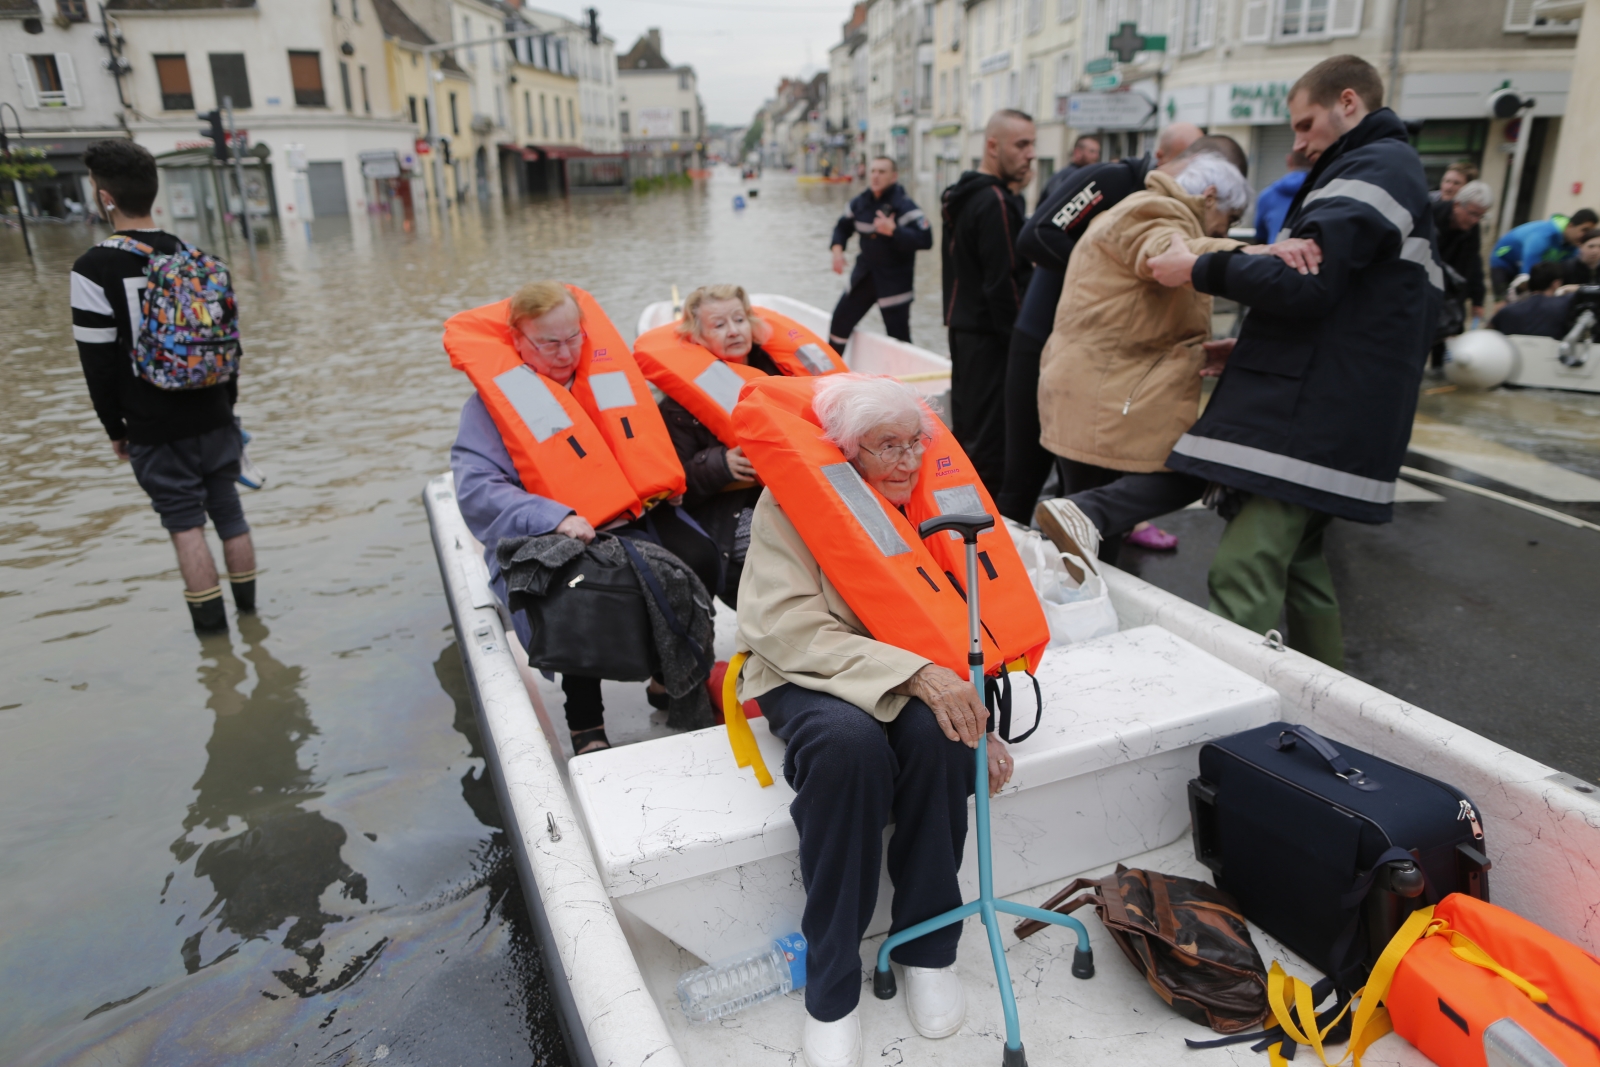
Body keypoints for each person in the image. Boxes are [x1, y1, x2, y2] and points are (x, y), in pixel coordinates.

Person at [732, 373, 1013, 1067]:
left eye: (916, 442)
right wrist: (914, 673)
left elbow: (970, 622)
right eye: (887, 446)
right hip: (810, 672)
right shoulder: (789, 502)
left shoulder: (934, 502)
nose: (909, 461)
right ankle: (832, 987)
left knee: (939, 735)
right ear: (846, 451)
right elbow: (786, 627)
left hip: (923, 677)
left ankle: (928, 946)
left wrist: (984, 714)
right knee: (848, 746)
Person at [1145, 54, 1443, 669]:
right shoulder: (1381, 165)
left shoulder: (1373, 166)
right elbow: (1348, 298)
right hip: (1340, 405)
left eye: (1305, 125)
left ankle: (1224, 726)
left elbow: (1311, 285)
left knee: (1242, 572)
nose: (1299, 144)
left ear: (1350, 102)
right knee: (1303, 570)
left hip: (1312, 417)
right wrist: (1250, 345)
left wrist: (1197, 266)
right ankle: (1336, 712)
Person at [450, 281, 721, 755]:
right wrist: (552, 516)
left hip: (633, 516)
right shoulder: (491, 405)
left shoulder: (606, 378)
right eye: (549, 342)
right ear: (517, 340)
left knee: (695, 556)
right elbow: (476, 489)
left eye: (573, 337)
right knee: (577, 588)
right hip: (551, 532)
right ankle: (585, 724)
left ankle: (667, 678)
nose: (565, 352)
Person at [1033, 151, 1267, 568]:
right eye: (1228, 219)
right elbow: (1168, 256)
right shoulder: (1154, 210)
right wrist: (1262, 256)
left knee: (1087, 538)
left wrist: (1196, 348)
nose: (1225, 228)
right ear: (1210, 196)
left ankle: (1079, 612)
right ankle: (1080, 607)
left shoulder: (1143, 208)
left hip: (1093, 388)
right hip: (1105, 394)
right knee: (1191, 473)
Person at [71, 140, 256, 636]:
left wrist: (116, 427)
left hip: (154, 423)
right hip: (216, 412)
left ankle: (215, 644)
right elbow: (230, 348)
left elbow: (98, 364)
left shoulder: (93, 268)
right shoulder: (199, 257)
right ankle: (252, 621)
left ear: (105, 196)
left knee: (185, 524)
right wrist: (227, 410)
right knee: (230, 515)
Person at [995, 122, 1209, 525]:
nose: (1196, 180)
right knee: (1024, 477)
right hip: (1041, 337)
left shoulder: (1184, 210)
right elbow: (1035, 235)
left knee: (1087, 487)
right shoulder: (1117, 180)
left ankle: (1071, 579)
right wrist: (1107, 265)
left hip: (1100, 359)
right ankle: (996, 577)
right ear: (1162, 158)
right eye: (1188, 163)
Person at [653, 285, 796, 607]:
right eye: (719, 325)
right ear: (697, 337)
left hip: (794, 497)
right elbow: (672, 489)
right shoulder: (677, 407)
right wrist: (718, 464)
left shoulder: (782, 375)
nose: (733, 331)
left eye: (739, 319)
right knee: (786, 553)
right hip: (728, 513)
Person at [940, 108, 1036, 495]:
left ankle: (959, 512)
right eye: (1022, 144)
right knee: (992, 440)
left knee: (968, 430)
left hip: (963, 328)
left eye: (1033, 145)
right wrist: (1020, 347)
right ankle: (987, 529)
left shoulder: (964, 196)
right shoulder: (994, 201)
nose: (1030, 154)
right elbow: (1003, 281)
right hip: (990, 336)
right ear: (992, 145)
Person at [828, 156, 933, 346]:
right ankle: (833, 374)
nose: (876, 176)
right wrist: (837, 250)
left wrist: (894, 231)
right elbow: (842, 227)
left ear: (894, 176)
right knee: (838, 324)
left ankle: (904, 374)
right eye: (873, 171)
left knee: (899, 340)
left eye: (882, 172)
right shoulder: (859, 203)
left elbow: (926, 239)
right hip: (864, 277)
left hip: (894, 283)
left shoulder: (905, 206)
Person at [1429, 179, 1494, 367]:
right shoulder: (1431, 215)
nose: (1475, 221)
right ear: (1457, 204)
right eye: (1472, 214)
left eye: (1480, 217)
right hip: (1424, 282)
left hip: (1451, 287)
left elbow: (1474, 264)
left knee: (1451, 330)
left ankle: (1441, 370)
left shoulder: (1472, 230)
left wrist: (1478, 300)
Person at [1490, 209, 1598, 296]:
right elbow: (1528, 275)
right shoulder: (1544, 235)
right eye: (1584, 230)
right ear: (1570, 226)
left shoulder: (1574, 246)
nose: (1586, 236)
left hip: (1523, 265)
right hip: (1504, 262)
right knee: (1504, 303)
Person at [1489, 263, 1574, 337]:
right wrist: (1567, 289)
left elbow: (1488, 331)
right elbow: (1585, 291)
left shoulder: (1506, 311)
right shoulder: (1565, 306)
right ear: (1556, 284)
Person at [1254, 150, 1311, 244]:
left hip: (1275, 256)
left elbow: (1260, 237)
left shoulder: (1267, 195)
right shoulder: (1325, 191)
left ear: (1289, 160)